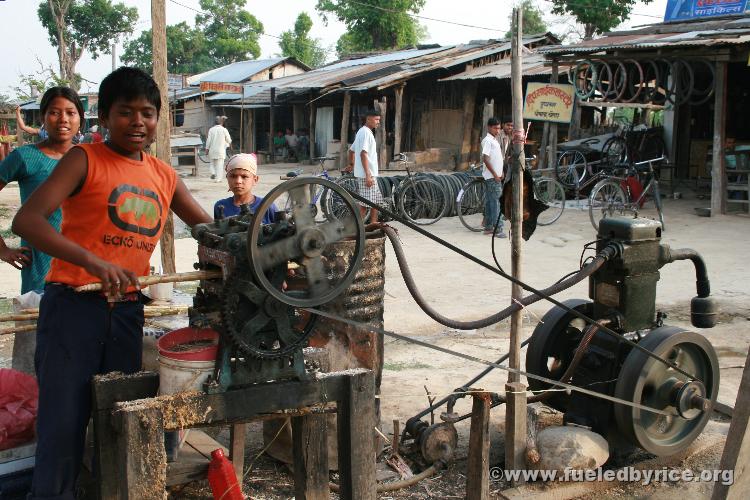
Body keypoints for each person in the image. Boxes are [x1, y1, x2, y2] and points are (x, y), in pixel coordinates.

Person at [12, 66, 213, 500]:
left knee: (117, 425)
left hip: (125, 312)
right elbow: (26, 220)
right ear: (103, 117)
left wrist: (250, 238)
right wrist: (92, 261)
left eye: (148, 112)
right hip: (73, 308)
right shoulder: (84, 158)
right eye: (125, 112)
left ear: (160, 119)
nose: (138, 122)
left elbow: (207, 228)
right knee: (62, 430)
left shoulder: (164, 175)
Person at [1, 87, 84, 294]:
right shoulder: (24, 156)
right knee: (40, 325)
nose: (63, 119)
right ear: (43, 117)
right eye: (55, 112)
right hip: (41, 274)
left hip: (85, 271)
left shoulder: (91, 158)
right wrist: (3, 250)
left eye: (70, 113)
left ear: (80, 119)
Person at [213, 153, 277, 223]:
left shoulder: (267, 207)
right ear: (227, 178)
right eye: (233, 176)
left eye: (244, 177)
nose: (238, 181)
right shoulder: (221, 206)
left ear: (255, 180)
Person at [347, 109, 383, 222]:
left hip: (368, 173)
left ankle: (373, 224)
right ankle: (356, 229)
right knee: (365, 203)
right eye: (376, 119)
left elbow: (351, 150)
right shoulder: (366, 133)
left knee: (374, 202)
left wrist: (351, 164)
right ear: (368, 119)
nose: (378, 122)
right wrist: (368, 174)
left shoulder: (362, 132)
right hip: (367, 174)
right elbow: (363, 153)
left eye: (379, 120)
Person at [481, 117, 506, 238]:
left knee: (491, 202)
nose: (498, 130)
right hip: (492, 177)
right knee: (497, 203)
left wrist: (500, 172)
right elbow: (485, 159)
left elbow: (496, 159)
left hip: (495, 176)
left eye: (499, 128)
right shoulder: (487, 140)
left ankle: (489, 227)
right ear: (489, 127)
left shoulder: (494, 140)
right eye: (495, 128)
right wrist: (496, 175)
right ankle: (498, 228)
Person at [205, 115, 232, 182]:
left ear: (215, 123)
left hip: (212, 150)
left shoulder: (211, 130)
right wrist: (227, 143)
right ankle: (218, 179)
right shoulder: (224, 130)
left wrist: (206, 149)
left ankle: (213, 173)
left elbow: (208, 140)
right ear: (221, 123)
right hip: (221, 151)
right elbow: (229, 140)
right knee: (219, 165)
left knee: (212, 163)